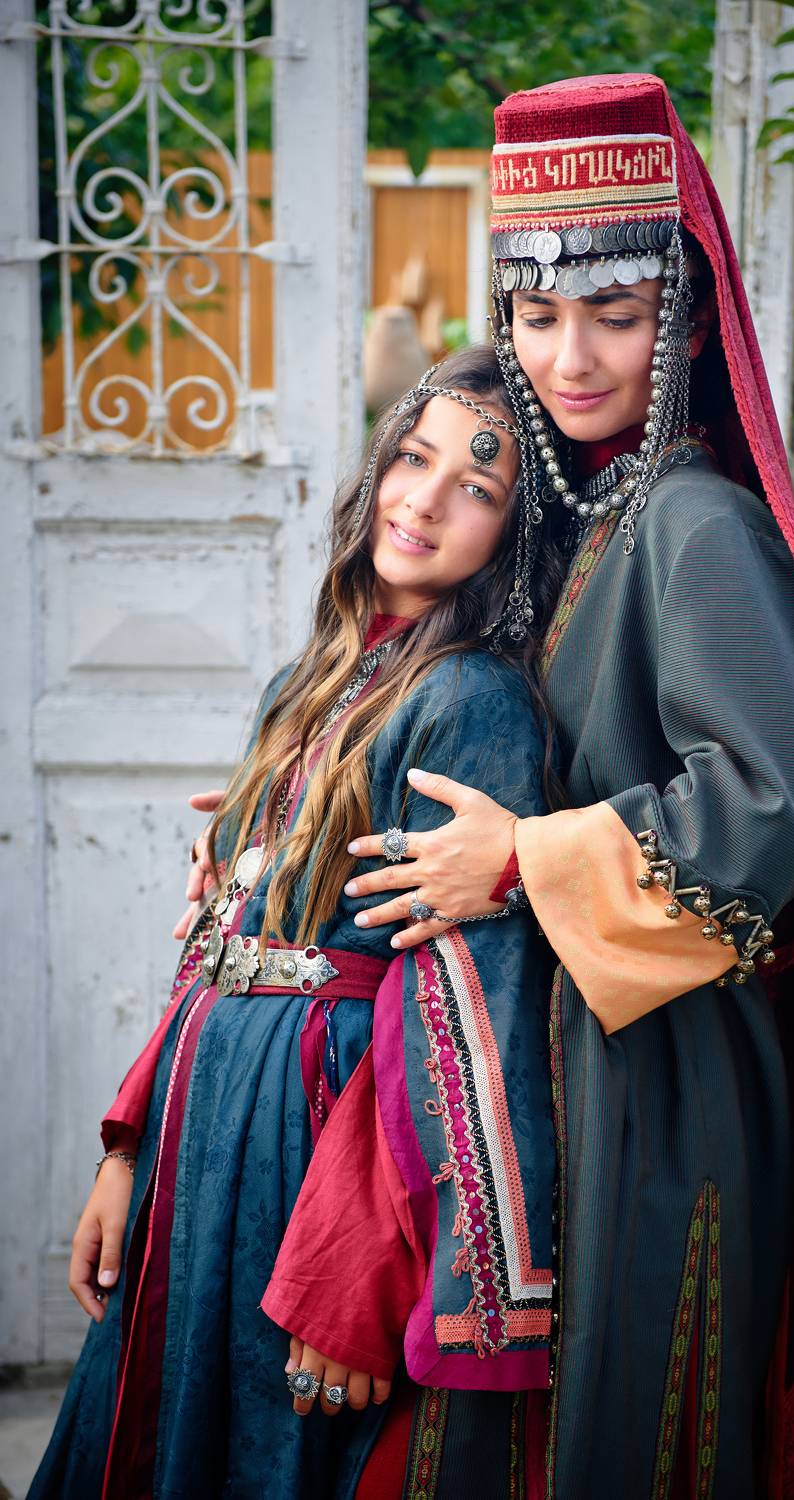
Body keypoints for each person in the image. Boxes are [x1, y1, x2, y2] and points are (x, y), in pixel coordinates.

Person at [334, 74, 794, 1498]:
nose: (568, 357)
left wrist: (523, 860)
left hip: (660, 1082)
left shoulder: (695, 525)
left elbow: (772, 805)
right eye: (535, 316)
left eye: (614, 313)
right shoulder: (581, 510)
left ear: (684, 318)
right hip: (563, 1055)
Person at [27, 345, 564, 1500]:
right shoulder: (305, 681)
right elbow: (219, 937)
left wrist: (353, 1270)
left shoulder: (470, 702)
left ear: (512, 536)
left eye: (475, 486)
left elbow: (449, 1009)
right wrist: (126, 1149)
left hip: (313, 1136)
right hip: (205, 1111)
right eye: (411, 458)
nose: (424, 499)